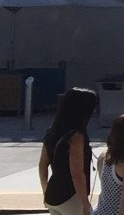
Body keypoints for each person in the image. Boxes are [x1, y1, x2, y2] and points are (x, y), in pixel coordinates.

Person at [38, 86, 98, 215]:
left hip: (52, 195)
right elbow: (76, 174)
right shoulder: (76, 137)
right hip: (71, 197)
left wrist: (45, 190)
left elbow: (43, 165)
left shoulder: (52, 132)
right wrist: (85, 204)